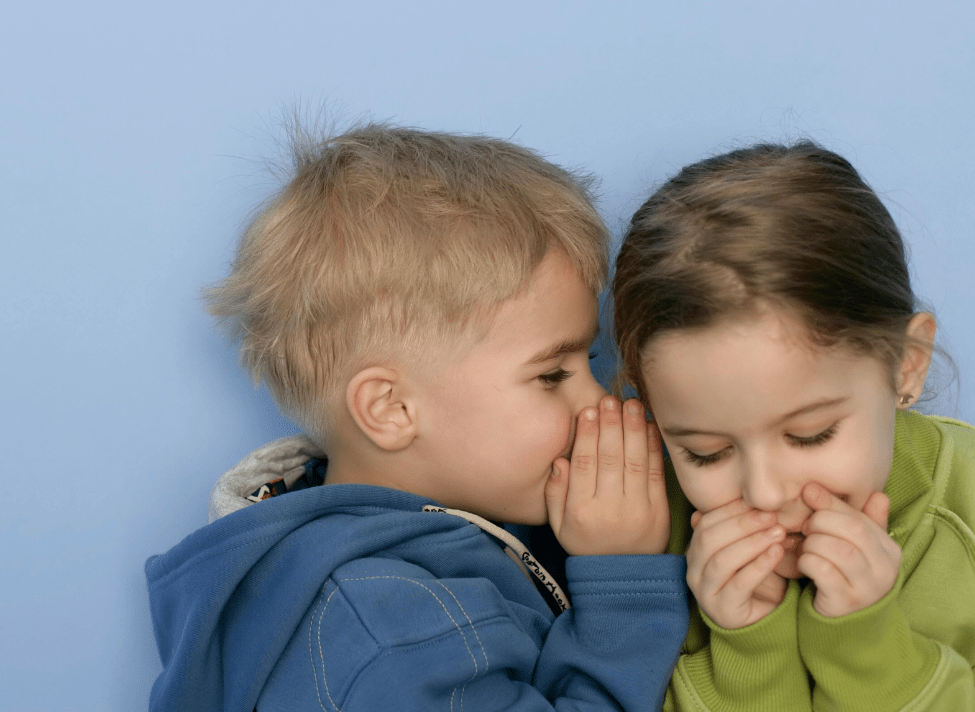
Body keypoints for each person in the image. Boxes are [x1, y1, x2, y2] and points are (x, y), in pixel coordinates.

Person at [146, 123, 688, 711]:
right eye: (552, 375)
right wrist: (622, 583)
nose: (599, 404)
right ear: (391, 409)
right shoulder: (385, 635)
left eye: (591, 359)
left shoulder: (425, 540)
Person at [612, 141, 975, 711]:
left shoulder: (966, 502)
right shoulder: (654, 535)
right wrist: (747, 652)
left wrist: (868, 648)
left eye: (810, 435)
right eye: (705, 453)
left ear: (907, 363)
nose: (764, 493)